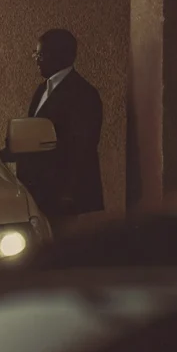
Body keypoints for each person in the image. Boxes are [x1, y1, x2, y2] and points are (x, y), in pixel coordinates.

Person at [12, 28, 104, 233]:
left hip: (63, 197)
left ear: (63, 56)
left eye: (41, 55)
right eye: (35, 54)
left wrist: (67, 194)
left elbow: (82, 148)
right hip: (39, 192)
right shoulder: (42, 90)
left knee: (63, 251)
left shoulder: (83, 94)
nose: (36, 60)